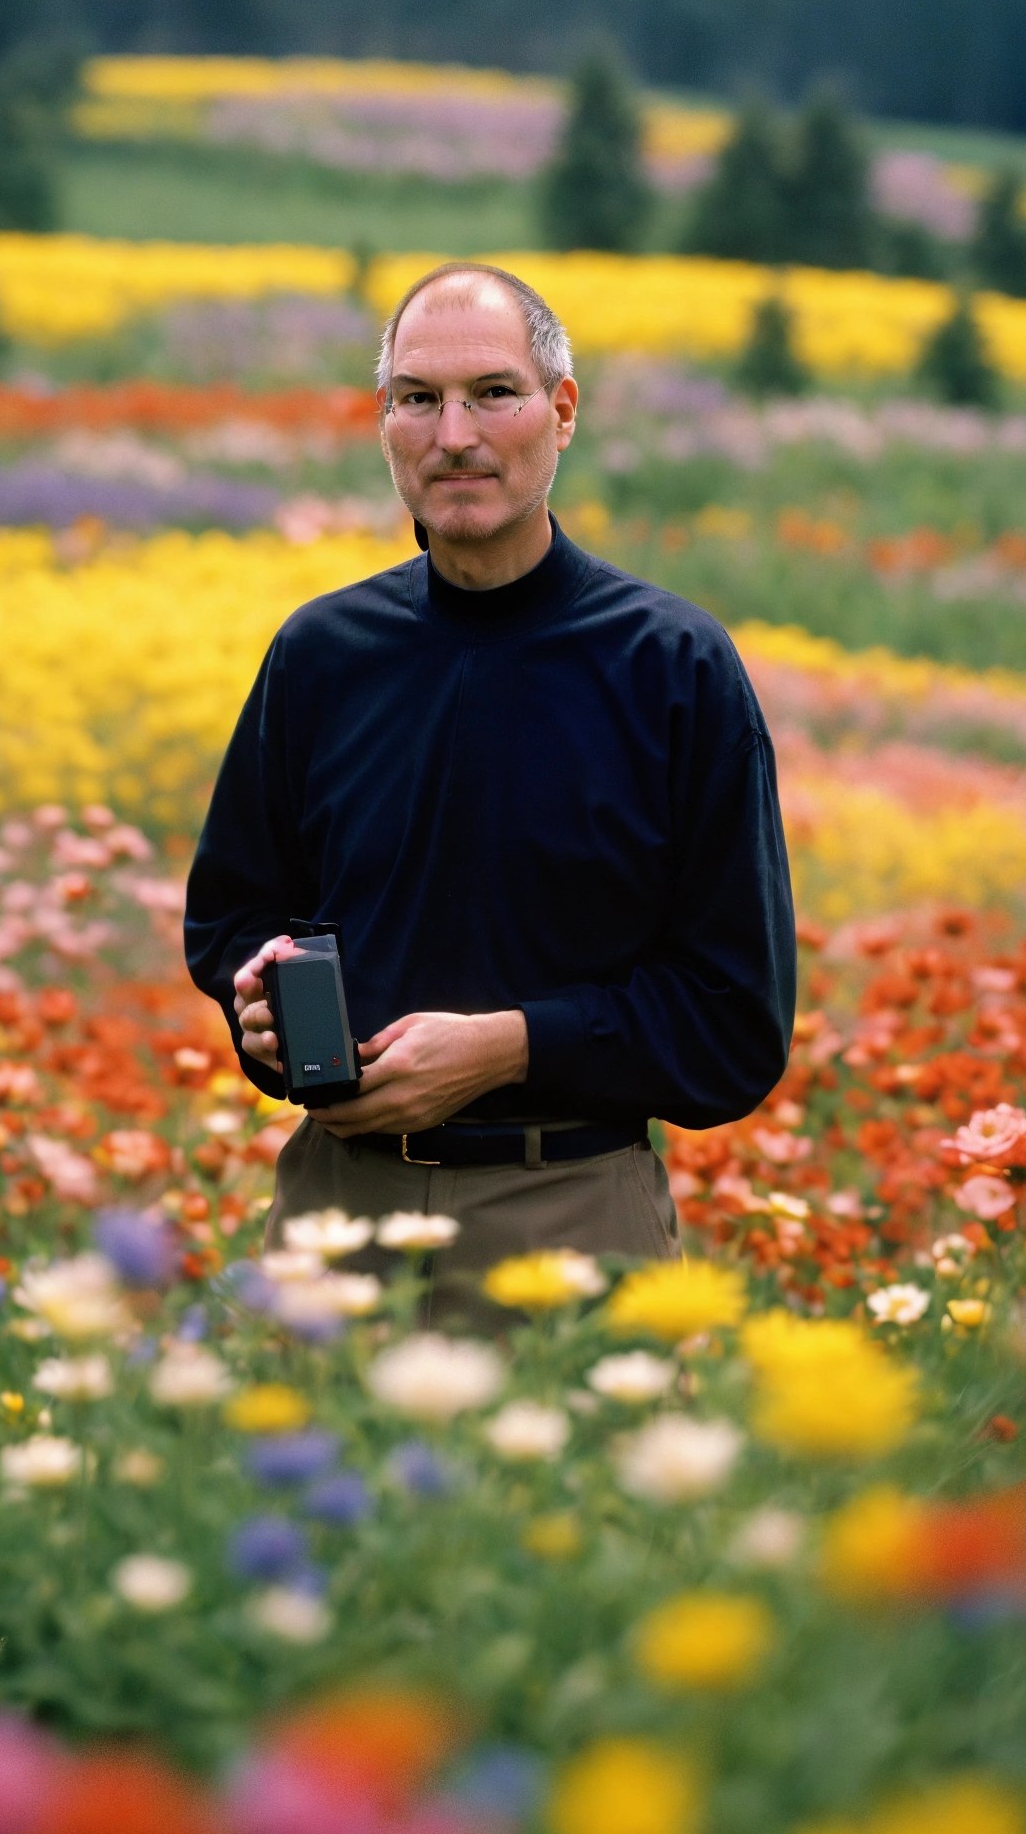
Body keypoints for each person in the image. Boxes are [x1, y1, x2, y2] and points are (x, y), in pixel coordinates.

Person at [184, 262, 795, 1322]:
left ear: (561, 413)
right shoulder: (320, 655)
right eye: (416, 399)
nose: (452, 435)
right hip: (335, 1212)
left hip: (565, 1222)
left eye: (491, 394)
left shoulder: (672, 670)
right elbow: (231, 919)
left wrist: (507, 1047)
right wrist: (265, 1014)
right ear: (382, 422)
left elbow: (732, 1023)